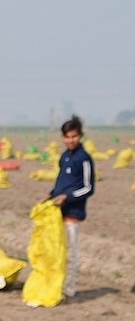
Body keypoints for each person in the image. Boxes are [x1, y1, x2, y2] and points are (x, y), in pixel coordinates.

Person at [49, 115, 94, 298]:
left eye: (74, 136)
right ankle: (56, 285)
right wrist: (50, 197)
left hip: (73, 212)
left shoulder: (84, 159)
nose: (70, 140)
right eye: (67, 137)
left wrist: (67, 197)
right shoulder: (64, 157)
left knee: (70, 252)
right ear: (62, 137)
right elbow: (61, 182)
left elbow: (88, 187)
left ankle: (70, 289)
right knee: (56, 250)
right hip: (58, 211)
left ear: (80, 136)